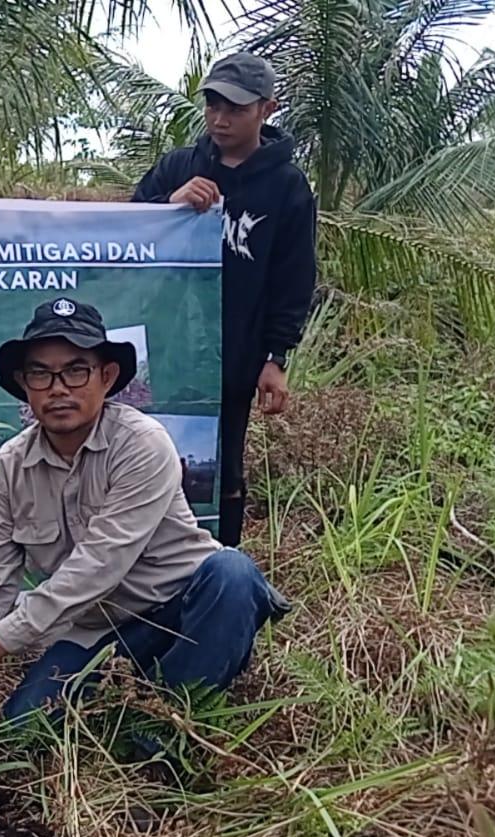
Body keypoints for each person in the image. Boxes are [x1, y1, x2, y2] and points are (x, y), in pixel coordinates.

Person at [0, 299, 290, 727]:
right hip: (96, 631)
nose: (58, 388)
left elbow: (98, 566)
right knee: (22, 730)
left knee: (233, 574)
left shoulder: (141, 444)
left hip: (181, 610)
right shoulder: (6, 469)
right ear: (24, 384)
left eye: (76, 370)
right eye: (41, 373)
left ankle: (165, 731)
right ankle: (139, 698)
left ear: (107, 377)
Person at [131, 51, 317, 547]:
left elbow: (293, 278)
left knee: (221, 467)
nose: (219, 118)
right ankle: (143, 566)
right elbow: (123, 234)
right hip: (163, 349)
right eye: (213, 104)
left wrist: (276, 356)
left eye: (234, 108)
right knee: (146, 458)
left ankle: (217, 567)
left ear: (267, 109)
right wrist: (168, 205)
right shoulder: (178, 167)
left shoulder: (288, 187)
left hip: (233, 358)